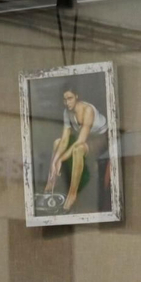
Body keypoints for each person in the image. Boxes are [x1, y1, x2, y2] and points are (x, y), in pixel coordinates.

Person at [44, 83, 108, 212]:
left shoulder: (87, 110)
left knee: (77, 149)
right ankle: (51, 181)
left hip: (100, 138)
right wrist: (55, 162)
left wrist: (61, 160)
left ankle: (72, 194)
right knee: (57, 142)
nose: (67, 102)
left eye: (70, 98)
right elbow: (64, 139)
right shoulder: (66, 112)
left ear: (76, 96)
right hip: (86, 137)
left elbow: (80, 140)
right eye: (65, 99)